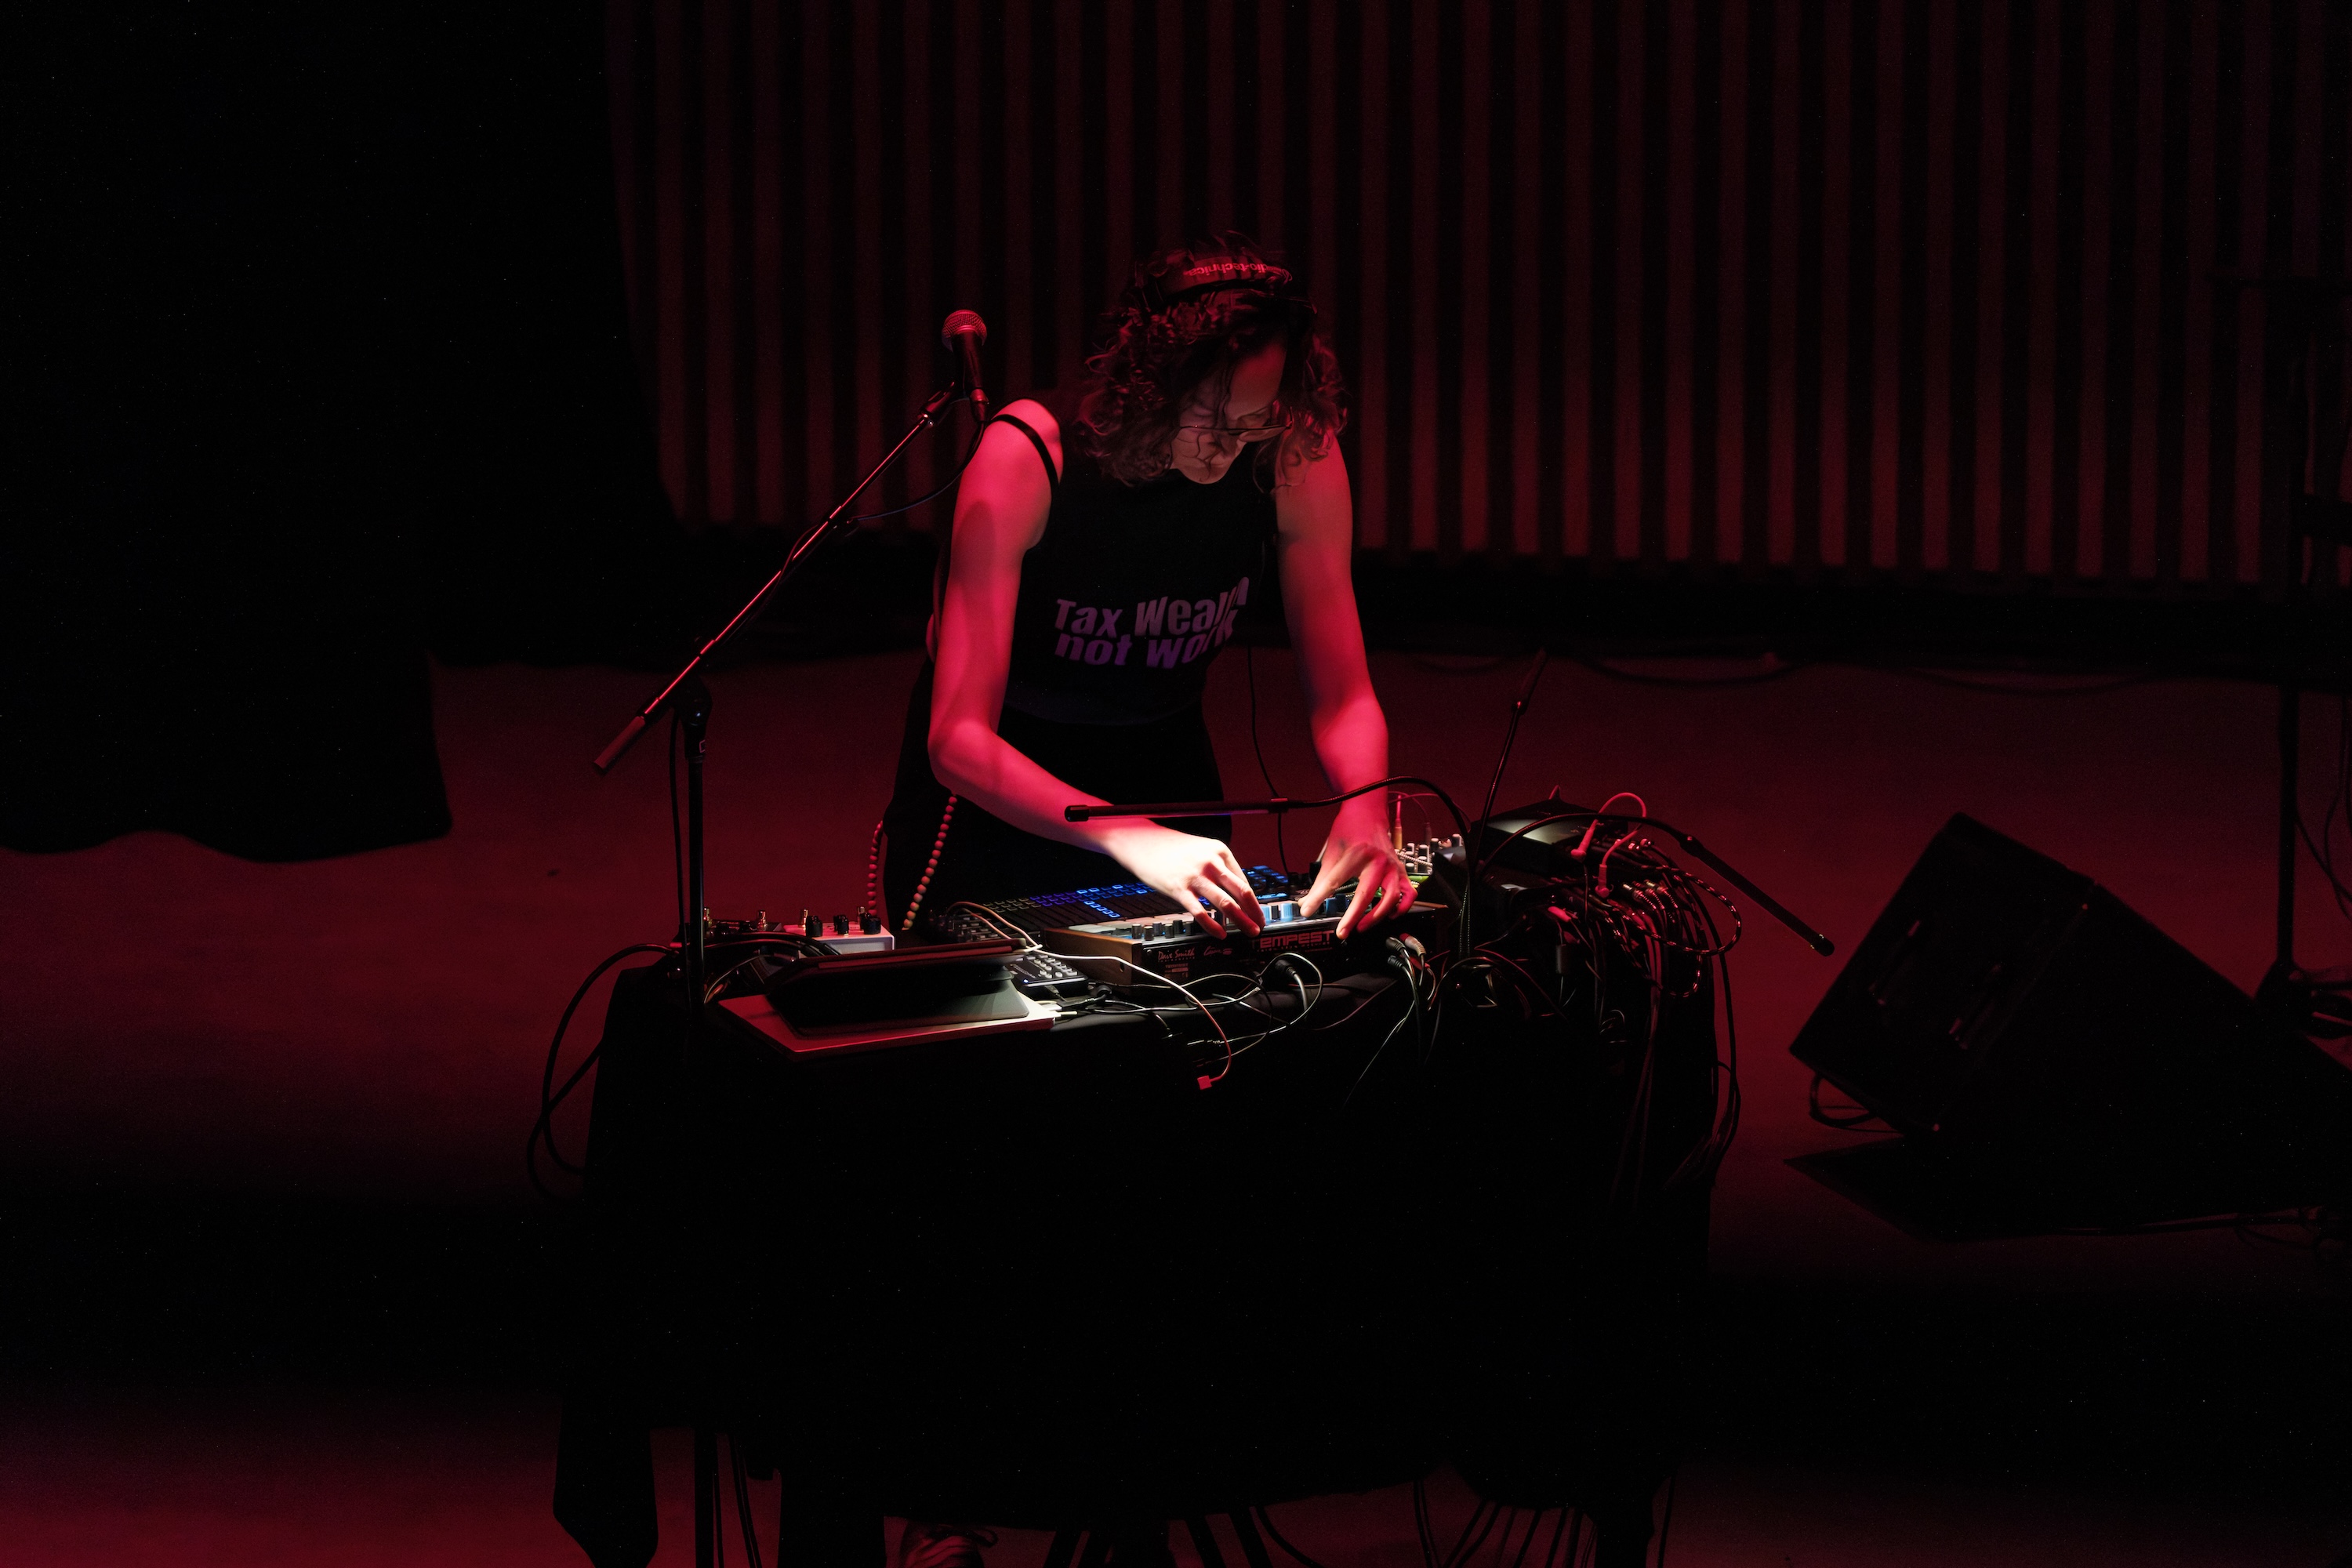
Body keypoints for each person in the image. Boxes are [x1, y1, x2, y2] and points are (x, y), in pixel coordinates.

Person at [880, 237, 1412, 945]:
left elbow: (1344, 695)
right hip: (1003, 792)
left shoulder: (1291, 449)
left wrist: (1366, 808)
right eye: (1211, 417)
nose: (1230, 448)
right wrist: (1131, 836)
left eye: (1252, 420)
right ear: (1153, 382)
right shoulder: (1029, 453)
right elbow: (956, 740)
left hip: (1166, 768)